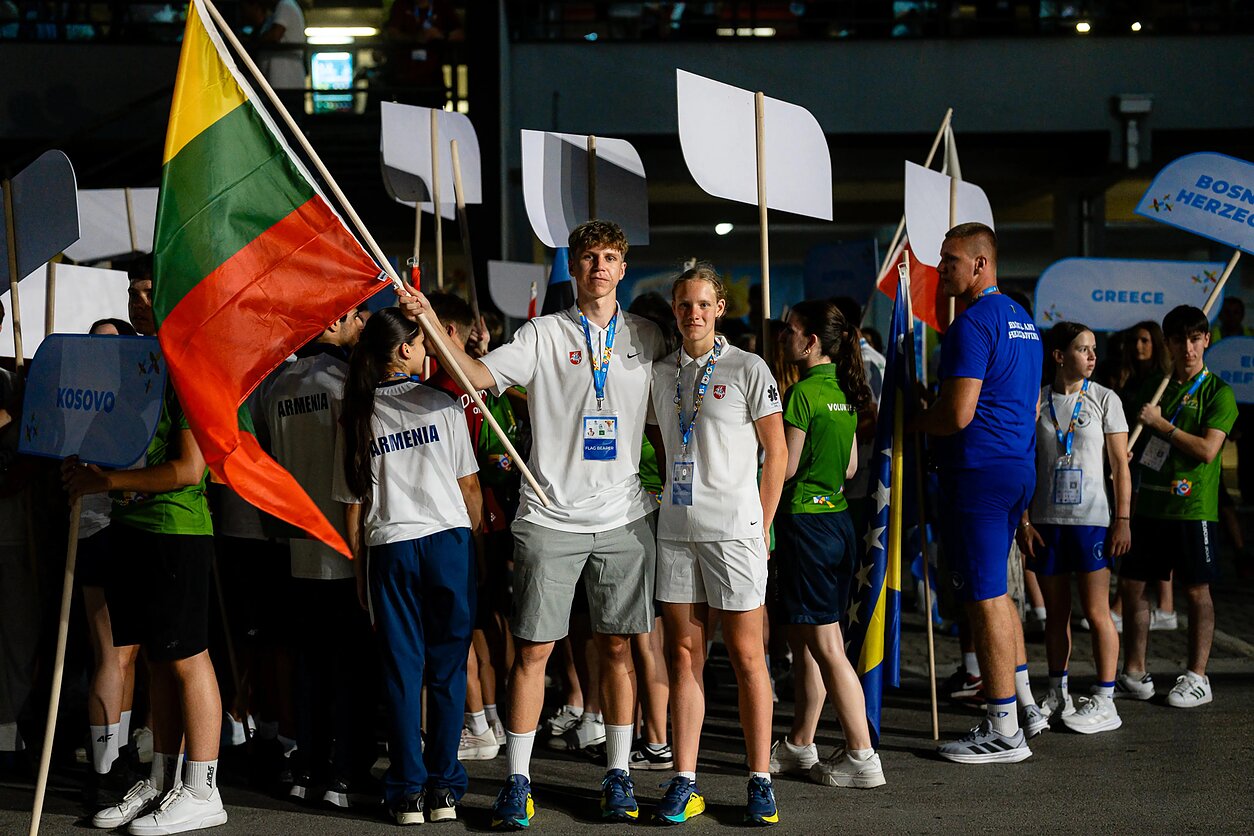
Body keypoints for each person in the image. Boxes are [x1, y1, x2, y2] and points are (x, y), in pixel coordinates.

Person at [397, 219, 665, 828]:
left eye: (610, 257)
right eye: (589, 256)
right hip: (549, 515)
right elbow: (475, 377)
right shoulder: (542, 334)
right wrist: (432, 325)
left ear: (623, 268)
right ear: (575, 266)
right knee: (534, 653)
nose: (599, 266)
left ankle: (618, 775)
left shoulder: (648, 338)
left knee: (618, 650)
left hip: (624, 517)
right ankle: (517, 782)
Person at [65, 274, 229, 833]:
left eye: (150, 290)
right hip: (132, 528)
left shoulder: (188, 367)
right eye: (133, 291)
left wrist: (107, 481)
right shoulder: (137, 369)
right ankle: (161, 780)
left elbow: (189, 469)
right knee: (160, 659)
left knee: (188, 657)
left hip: (176, 530)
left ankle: (203, 787)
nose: (138, 300)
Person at [645, 264, 786, 825]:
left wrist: (762, 520)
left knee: (748, 655)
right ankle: (685, 779)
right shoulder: (660, 373)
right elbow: (660, 439)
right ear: (674, 312)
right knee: (683, 654)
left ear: (720, 308)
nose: (694, 314)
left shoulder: (748, 367)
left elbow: (776, 454)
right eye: (684, 305)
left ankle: (759, 780)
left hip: (735, 531)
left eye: (703, 304)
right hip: (677, 530)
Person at [334, 308, 482, 824]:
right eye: (421, 343)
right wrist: (472, 540)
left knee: (402, 673)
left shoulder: (355, 413)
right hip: (447, 542)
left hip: (390, 548)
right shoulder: (441, 404)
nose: (426, 351)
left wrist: (359, 572)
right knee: (446, 669)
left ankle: (407, 793)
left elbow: (353, 506)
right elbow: (470, 490)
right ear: (403, 350)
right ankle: (443, 789)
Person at [912, 222, 1043, 763]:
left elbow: (958, 414)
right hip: (1015, 469)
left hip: (979, 472)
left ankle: (1004, 729)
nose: (941, 268)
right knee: (999, 595)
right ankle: (1025, 706)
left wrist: (915, 420)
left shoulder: (971, 324)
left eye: (949, 259)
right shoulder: (1024, 320)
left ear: (980, 265)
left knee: (985, 598)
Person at [260, 307, 376, 807]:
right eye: (356, 315)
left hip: (296, 543)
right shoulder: (350, 381)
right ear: (336, 321)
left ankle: (308, 765)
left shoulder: (276, 384)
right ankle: (345, 774)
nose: (364, 322)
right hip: (347, 543)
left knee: (309, 663)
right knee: (350, 667)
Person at [768, 300, 885, 789]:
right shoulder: (846, 391)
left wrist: (759, 476)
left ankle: (862, 754)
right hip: (838, 523)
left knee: (826, 645)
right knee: (810, 640)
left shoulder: (800, 395)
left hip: (805, 526)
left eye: (791, 330)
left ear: (811, 341)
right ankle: (799, 743)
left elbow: (786, 467)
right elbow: (853, 468)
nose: (785, 337)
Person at [1117, 305, 1236, 708]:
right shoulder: (1157, 386)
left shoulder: (1218, 392)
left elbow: (1206, 450)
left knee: (1196, 591)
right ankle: (1134, 672)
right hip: (1149, 504)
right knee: (1132, 587)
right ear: (1168, 343)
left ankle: (1197, 676)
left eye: (1195, 338)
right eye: (1180, 340)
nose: (1188, 347)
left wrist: (1162, 426)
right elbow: (1141, 441)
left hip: (1193, 509)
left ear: (1206, 340)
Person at [1017, 322, 1130, 735]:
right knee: (1055, 615)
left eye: (1094, 349)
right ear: (1059, 355)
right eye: (1083, 349)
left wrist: (1122, 519)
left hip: (1092, 522)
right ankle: (1057, 692)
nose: (1092, 356)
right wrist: (1024, 520)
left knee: (1097, 612)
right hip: (1047, 521)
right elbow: (1026, 463)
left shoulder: (1105, 399)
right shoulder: (1037, 400)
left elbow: (1120, 467)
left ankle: (1104, 699)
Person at [78, 318, 144, 806]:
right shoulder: (88, 399)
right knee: (111, 654)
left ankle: (115, 755)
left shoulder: (131, 393)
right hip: (101, 529)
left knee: (126, 654)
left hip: (127, 531)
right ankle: (104, 765)